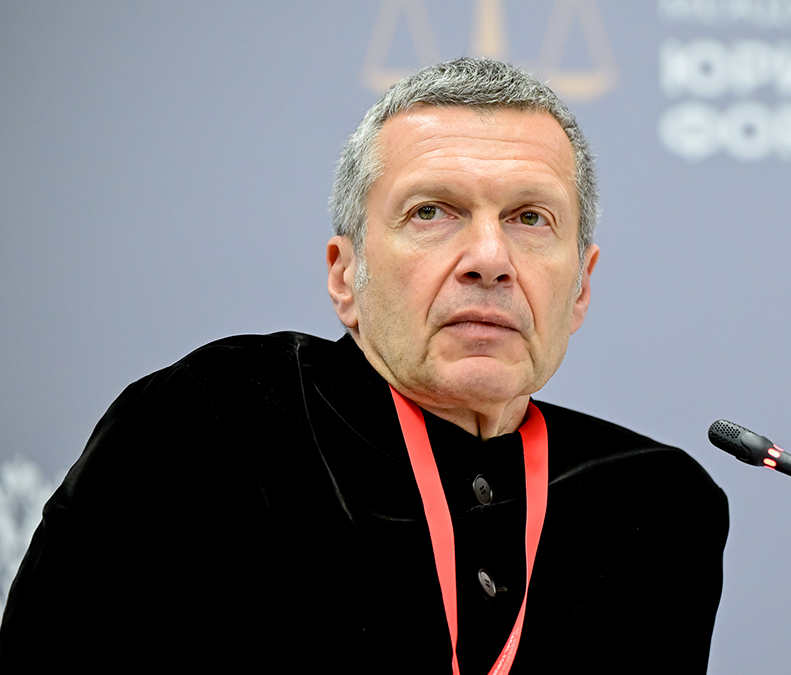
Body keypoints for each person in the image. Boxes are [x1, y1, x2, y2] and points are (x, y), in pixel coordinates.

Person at [0, 58, 728, 673]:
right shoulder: (207, 423)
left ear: (582, 287)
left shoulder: (658, 507)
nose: (489, 259)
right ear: (345, 275)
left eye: (530, 218)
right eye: (431, 211)